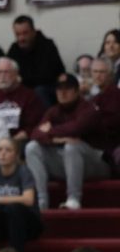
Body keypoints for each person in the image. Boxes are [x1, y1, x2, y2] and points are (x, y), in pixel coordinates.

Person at [25, 73, 110, 211]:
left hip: (96, 164)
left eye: (67, 89)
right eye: (59, 89)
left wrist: (50, 132)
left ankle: (73, 199)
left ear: (76, 91)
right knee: (32, 147)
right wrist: (58, 138)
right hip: (67, 163)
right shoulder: (53, 111)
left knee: (72, 146)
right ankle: (41, 201)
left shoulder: (88, 108)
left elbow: (76, 128)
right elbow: (35, 133)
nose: (62, 93)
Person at [8, 15, 65, 107]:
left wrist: (21, 79)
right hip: (25, 89)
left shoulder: (47, 46)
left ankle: (47, 119)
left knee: (39, 90)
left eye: (25, 33)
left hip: (48, 88)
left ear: (33, 32)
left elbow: (46, 76)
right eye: (18, 34)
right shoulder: (14, 49)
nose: (21, 38)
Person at [0, 56, 44, 144]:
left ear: (16, 74)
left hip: (19, 142)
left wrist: (11, 142)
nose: (3, 76)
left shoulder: (29, 96)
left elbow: (32, 126)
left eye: (6, 72)